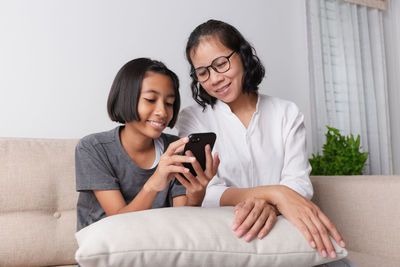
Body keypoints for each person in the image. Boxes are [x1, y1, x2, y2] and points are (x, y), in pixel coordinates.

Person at [177, 19, 346, 260]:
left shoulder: (286, 112)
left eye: (221, 64)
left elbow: (299, 184)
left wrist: (270, 204)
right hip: (228, 233)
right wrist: (276, 193)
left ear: (243, 55)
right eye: (203, 72)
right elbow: (206, 192)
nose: (214, 79)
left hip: (285, 228)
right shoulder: (193, 119)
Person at [75, 58, 219, 231]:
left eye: (169, 103)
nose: (162, 112)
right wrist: (154, 182)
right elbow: (119, 225)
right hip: (107, 252)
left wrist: (196, 196)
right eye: (151, 100)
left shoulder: (174, 149)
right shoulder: (93, 148)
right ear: (126, 98)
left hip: (158, 250)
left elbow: (180, 223)